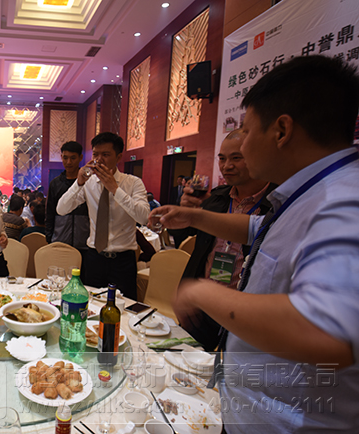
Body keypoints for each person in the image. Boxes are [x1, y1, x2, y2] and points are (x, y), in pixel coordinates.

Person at [151, 55, 359, 433]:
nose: (242, 149)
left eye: (246, 133)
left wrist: (202, 292)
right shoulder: (314, 192)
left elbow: (329, 332)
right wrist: (195, 217)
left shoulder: (342, 201)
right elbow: (260, 229)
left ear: (281, 130)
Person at [178, 130, 275, 351]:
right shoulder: (216, 198)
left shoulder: (275, 204)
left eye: (236, 158)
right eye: (222, 158)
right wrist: (187, 213)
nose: (226, 166)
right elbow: (185, 240)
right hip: (202, 308)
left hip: (244, 311)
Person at [57, 132, 149, 299]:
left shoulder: (133, 183)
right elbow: (61, 209)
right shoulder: (89, 183)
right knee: (90, 304)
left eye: (105, 155)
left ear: (118, 157)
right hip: (94, 257)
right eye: (95, 154)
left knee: (124, 306)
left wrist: (115, 189)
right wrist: (78, 183)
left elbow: (144, 217)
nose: (99, 160)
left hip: (123, 259)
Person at [46, 141, 90, 250]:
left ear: (80, 158)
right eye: (65, 158)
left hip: (85, 242)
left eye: (73, 158)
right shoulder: (55, 183)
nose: (68, 162)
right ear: (61, 157)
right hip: (60, 240)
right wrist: (49, 237)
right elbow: (50, 212)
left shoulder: (88, 182)